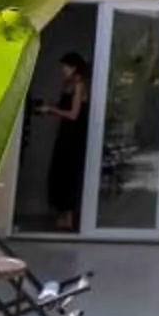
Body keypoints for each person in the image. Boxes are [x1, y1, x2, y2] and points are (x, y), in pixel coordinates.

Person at [45, 50, 91, 231]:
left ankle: (70, 218)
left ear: (74, 67)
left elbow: (74, 114)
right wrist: (51, 108)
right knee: (59, 172)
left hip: (74, 136)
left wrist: (52, 109)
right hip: (65, 134)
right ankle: (63, 215)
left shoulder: (79, 86)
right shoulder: (68, 85)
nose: (62, 70)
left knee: (69, 173)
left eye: (65, 67)